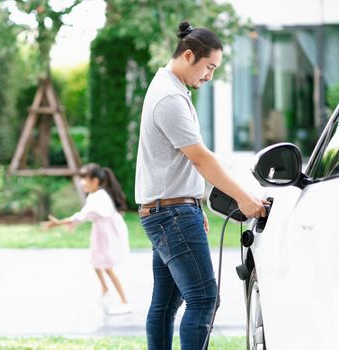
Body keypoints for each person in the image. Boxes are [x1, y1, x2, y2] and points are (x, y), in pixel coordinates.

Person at [135, 21, 268, 350]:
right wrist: (243, 197)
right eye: (209, 67)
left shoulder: (168, 87)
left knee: (166, 304)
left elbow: (183, 160)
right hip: (172, 214)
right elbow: (200, 157)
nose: (210, 76)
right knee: (204, 299)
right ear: (188, 55)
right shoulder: (169, 97)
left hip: (170, 210)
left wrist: (194, 202)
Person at [43, 163, 132, 315]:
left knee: (107, 267)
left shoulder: (100, 196)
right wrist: (72, 223)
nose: (81, 182)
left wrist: (60, 223)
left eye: (84, 179)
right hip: (101, 232)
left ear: (95, 181)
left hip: (109, 235)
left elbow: (83, 215)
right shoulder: (95, 195)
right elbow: (87, 214)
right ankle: (105, 289)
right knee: (95, 260)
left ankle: (125, 302)